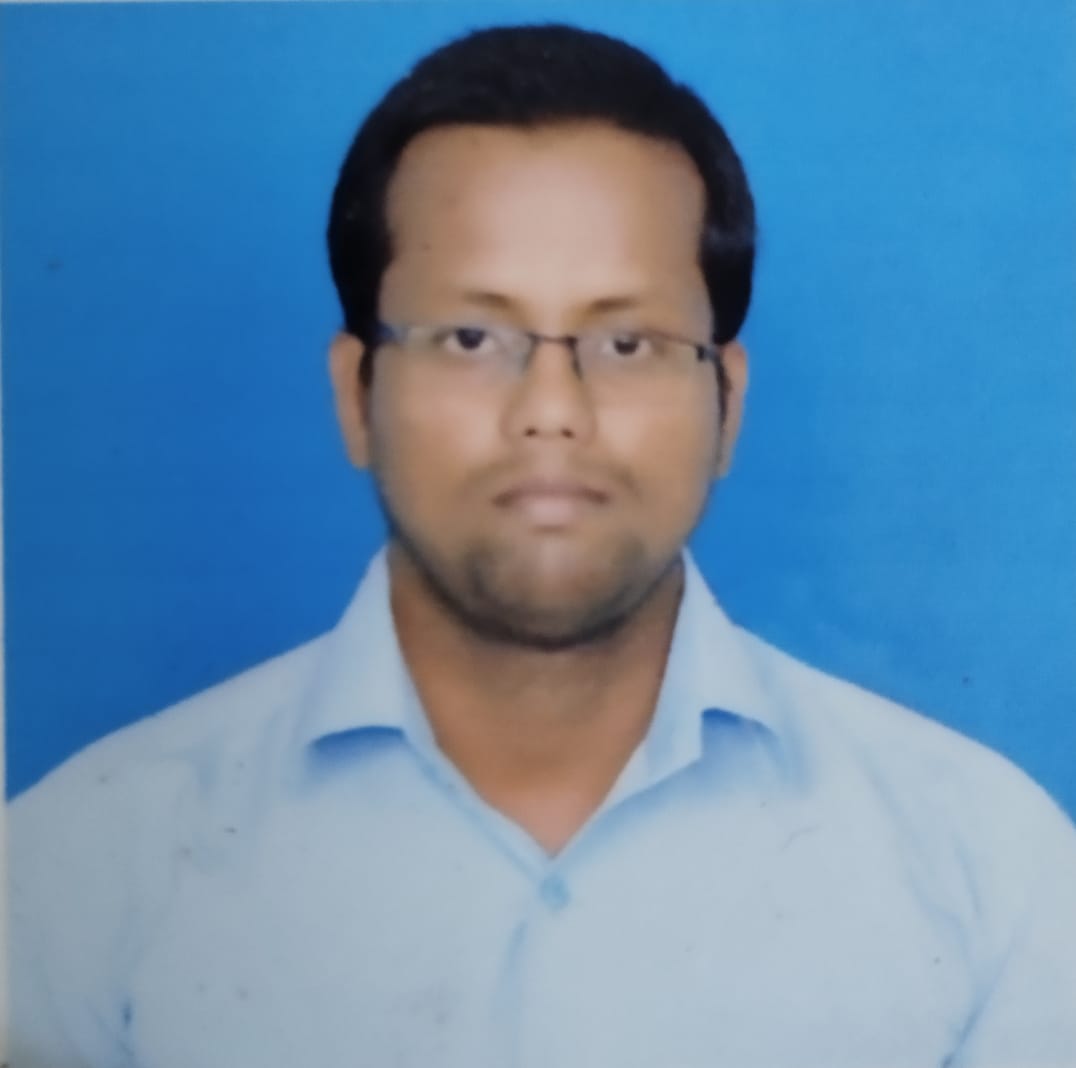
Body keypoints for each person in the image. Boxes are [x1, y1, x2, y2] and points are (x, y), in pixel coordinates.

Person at [7, 22, 1076, 1068]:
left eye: (627, 342)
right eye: (472, 337)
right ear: (355, 393)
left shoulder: (988, 876)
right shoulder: (74, 883)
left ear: (727, 406)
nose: (552, 412)